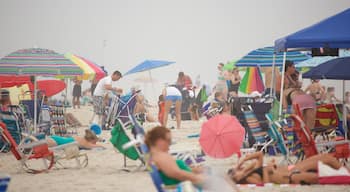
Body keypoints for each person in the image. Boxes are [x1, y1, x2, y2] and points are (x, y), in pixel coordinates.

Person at [228, 151, 345, 184]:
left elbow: (259, 154)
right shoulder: (250, 179)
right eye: (235, 173)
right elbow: (267, 185)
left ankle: (346, 172)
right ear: (237, 179)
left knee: (326, 158)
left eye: (235, 170)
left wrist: (241, 162)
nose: (237, 171)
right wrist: (268, 170)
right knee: (326, 167)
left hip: (292, 169)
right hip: (291, 174)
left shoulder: (251, 171)